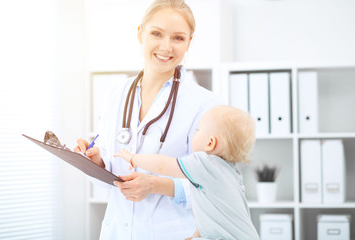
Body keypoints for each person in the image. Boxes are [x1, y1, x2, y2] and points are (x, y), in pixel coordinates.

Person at [74, 0, 222, 239]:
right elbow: (109, 181)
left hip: (173, 232)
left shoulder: (206, 105)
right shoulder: (116, 95)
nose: (166, 47)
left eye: (178, 38)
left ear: (189, 42)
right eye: (156, 34)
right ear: (140, 33)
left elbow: (215, 187)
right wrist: (98, 161)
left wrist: (155, 185)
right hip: (116, 231)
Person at [115, 105, 260, 240]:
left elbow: (163, 165)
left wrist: (133, 158)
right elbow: (215, 215)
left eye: (198, 129)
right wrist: (195, 235)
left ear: (210, 143)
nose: (195, 132)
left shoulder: (204, 162)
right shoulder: (231, 171)